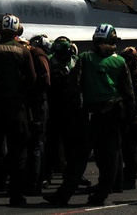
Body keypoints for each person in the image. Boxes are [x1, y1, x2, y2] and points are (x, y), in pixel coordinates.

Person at [44, 23, 134, 207]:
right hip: (112, 116)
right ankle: (100, 195)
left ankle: (63, 195)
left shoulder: (85, 58)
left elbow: (73, 87)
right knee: (109, 158)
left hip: (89, 116)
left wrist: (74, 114)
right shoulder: (120, 62)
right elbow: (129, 94)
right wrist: (127, 120)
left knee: (78, 159)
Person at [0, 13, 35, 207]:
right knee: (18, 154)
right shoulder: (24, 51)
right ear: (18, 31)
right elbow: (32, 80)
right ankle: (17, 196)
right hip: (16, 108)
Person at [45, 36, 83, 181]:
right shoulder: (50, 60)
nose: (62, 56)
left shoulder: (75, 60)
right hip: (54, 105)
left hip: (71, 106)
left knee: (73, 144)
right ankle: (47, 174)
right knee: (51, 143)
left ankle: (75, 175)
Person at [119, 46, 137, 191]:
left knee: (131, 151)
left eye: (129, 59)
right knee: (126, 149)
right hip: (127, 115)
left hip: (136, 118)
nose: (126, 61)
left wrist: (131, 114)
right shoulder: (126, 72)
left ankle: (130, 180)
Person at [27, 33, 52, 194]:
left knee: (37, 143)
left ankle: (35, 182)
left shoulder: (38, 56)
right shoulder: (40, 56)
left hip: (38, 103)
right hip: (39, 102)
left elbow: (45, 80)